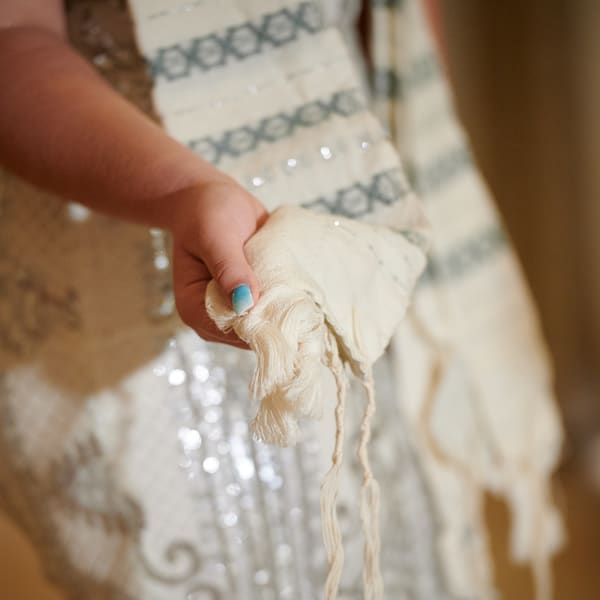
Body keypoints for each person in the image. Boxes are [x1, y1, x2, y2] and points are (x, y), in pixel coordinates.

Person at [0, 1, 563, 599]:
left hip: (355, 267)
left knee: (397, 547)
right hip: (144, 258)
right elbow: (12, 35)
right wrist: (186, 191)